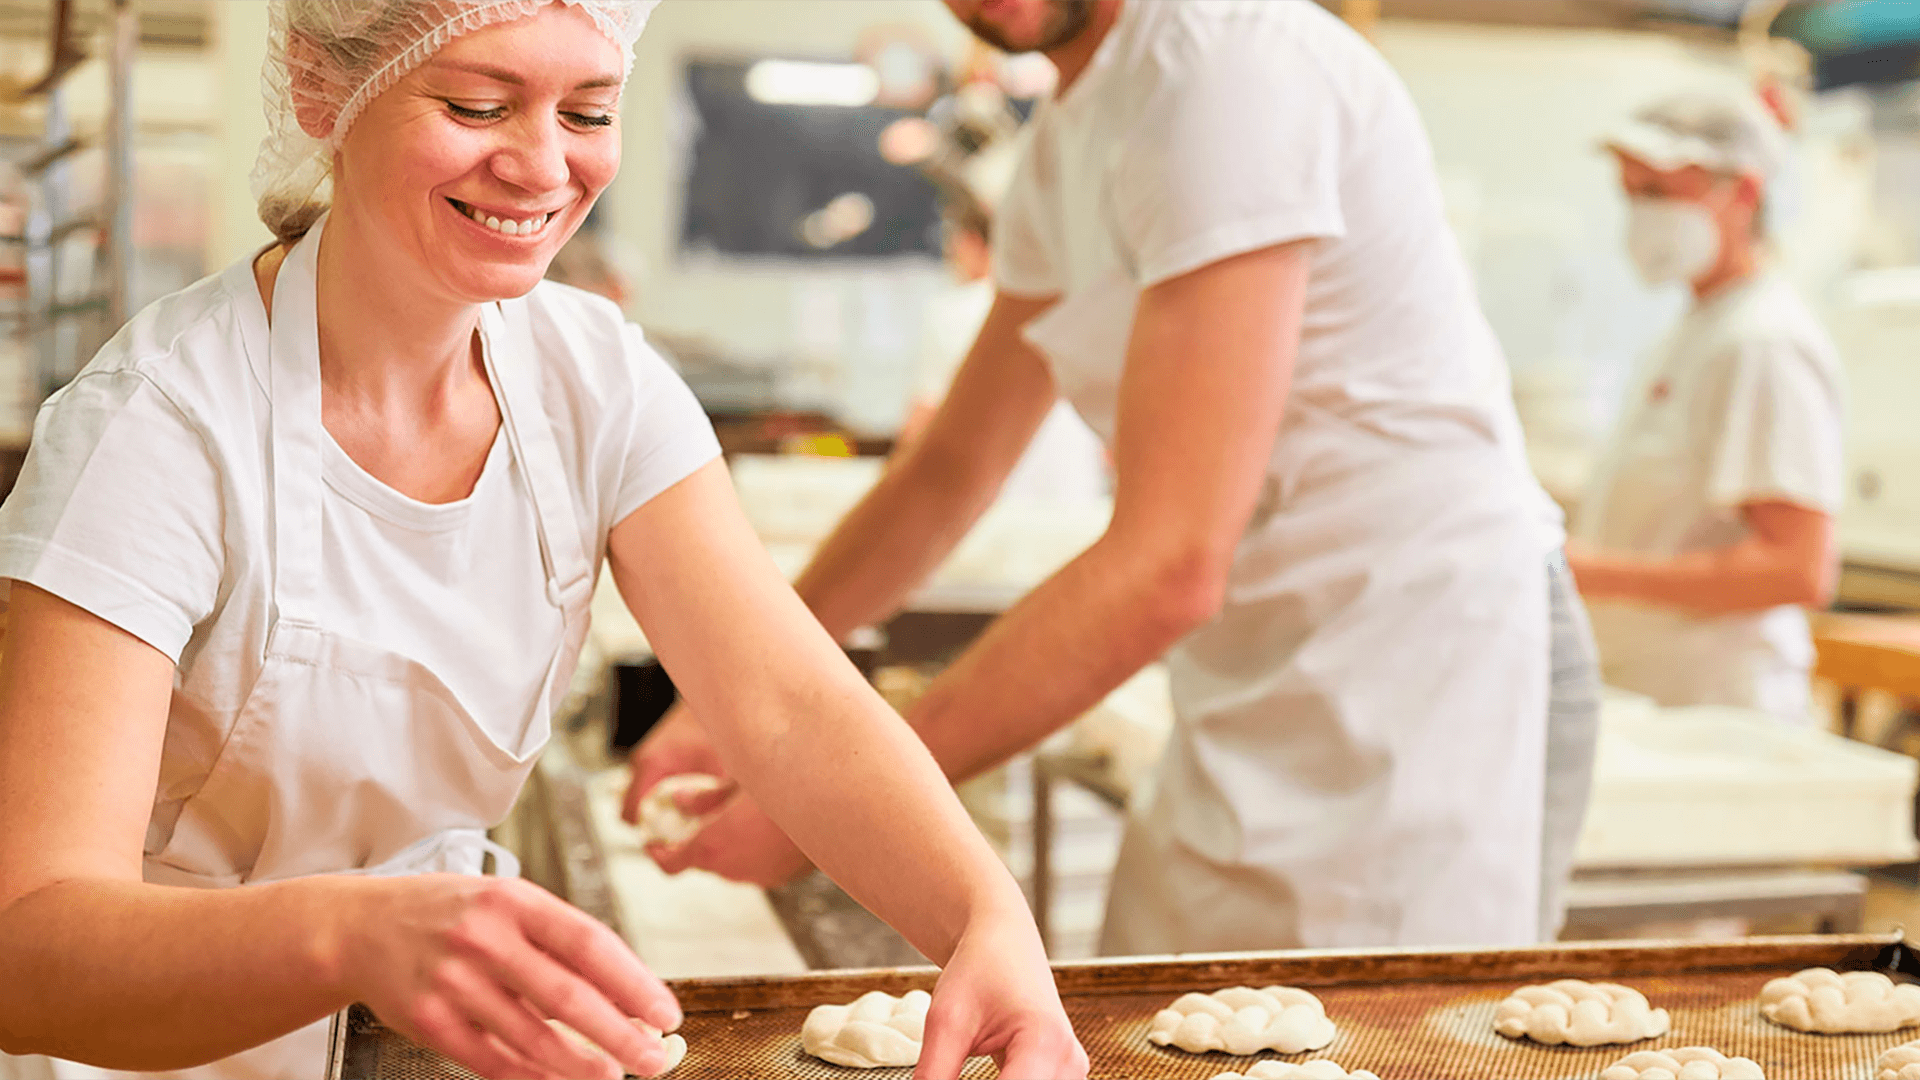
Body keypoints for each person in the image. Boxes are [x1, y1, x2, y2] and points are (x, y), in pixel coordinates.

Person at [0, 4, 1085, 1079]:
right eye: (478, 103)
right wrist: (354, 935)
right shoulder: (159, 429)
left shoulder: (593, 383)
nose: (540, 165)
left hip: (418, 1047)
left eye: (589, 110)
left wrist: (986, 920)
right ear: (322, 92)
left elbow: (789, 709)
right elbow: (30, 948)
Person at [631, 0, 1603, 955]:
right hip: (1254, 671)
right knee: (1182, 1024)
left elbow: (1171, 564)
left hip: (1432, 667)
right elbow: (948, 474)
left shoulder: (1229, 63)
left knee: (1381, 1041)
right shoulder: (1069, 139)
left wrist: (835, 800)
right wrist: (729, 701)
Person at [1570, 91, 1844, 722]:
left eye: (1661, 193)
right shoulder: (1698, 329)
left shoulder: (1763, 341)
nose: (1641, 215)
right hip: (1659, 699)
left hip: (1721, 712)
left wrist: (1598, 574)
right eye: (1631, 193)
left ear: (1742, 195)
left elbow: (1795, 568)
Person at [901, 188, 1107, 503]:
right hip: (1078, 500)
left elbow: (920, 429)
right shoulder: (1084, 306)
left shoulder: (954, 312)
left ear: (969, 244)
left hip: (991, 508)